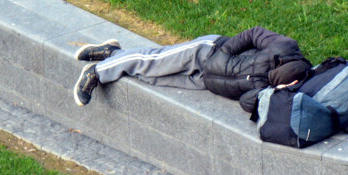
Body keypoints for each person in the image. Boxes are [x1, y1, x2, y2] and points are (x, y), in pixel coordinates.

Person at [73, 26, 312, 112]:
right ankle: (96, 73)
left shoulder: (269, 87)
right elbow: (254, 33)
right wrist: (225, 52)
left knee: (152, 78)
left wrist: (271, 94)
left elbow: (247, 103)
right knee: (153, 62)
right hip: (207, 52)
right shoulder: (284, 47)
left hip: (207, 82)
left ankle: (112, 53)